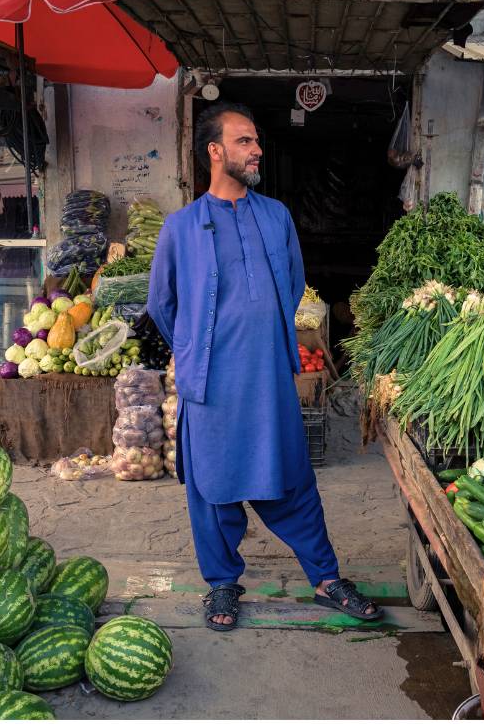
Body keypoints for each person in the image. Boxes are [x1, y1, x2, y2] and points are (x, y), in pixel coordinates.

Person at [146, 102, 383, 630]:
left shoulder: (275, 216)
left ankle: (325, 577)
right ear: (215, 151)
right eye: (244, 141)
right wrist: (193, 351)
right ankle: (223, 585)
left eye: (256, 141)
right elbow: (162, 305)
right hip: (210, 381)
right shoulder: (181, 228)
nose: (257, 151)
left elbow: (293, 281)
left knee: (291, 477)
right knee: (211, 487)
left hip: (270, 376)